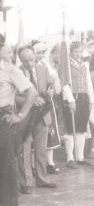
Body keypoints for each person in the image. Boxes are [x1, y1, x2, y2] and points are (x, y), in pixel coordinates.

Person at [0, 34, 37, 206]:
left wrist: (20, 116)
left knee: (5, 166)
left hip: (4, 120)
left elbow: (31, 92)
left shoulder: (10, 70)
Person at [17, 46, 58, 193]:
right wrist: (31, 101)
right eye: (25, 61)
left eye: (31, 60)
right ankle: (27, 182)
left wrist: (50, 92)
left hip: (42, 116)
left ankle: (42, 178)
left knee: (41, 149)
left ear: (35, 56)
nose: (29, 64)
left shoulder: (43, 69)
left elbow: (50, 86)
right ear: (20, 60)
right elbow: (14, 97)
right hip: (25, 117)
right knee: (25, 149)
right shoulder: (16, 72)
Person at [62, 42, 94, 168]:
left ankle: (80, 157)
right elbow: (65, 83)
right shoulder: (66, 65)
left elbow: (89, 83)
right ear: (71, 52)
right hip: (72, 97)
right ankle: (70, 158)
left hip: (83, 97)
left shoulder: (85, 65)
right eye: (76, 51)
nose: (78, 54)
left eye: (80, 52)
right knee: (70, 129)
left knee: (81, 128)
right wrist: (70, 99)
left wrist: (91, 99)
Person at [32, 42, 62, 175]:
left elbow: (56, 89)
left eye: (43, 52)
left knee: (51, 133)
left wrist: (55, 78)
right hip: (34, 104)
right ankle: (33, 165)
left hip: (48, 104)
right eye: (39, 52)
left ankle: (50, 162)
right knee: (33, 136)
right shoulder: (29, 68)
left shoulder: (47, 67)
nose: (41, 55)